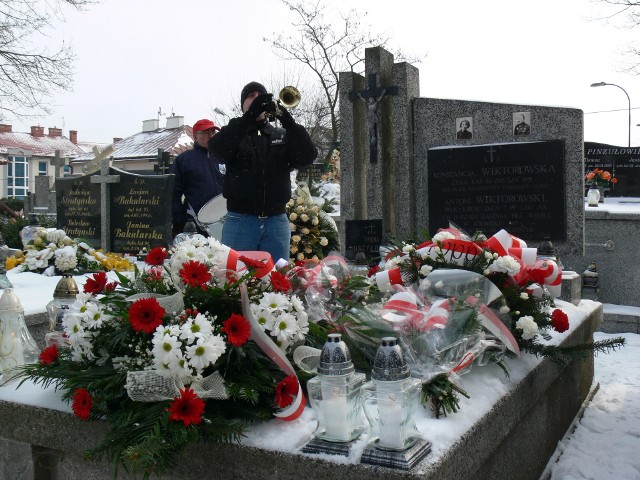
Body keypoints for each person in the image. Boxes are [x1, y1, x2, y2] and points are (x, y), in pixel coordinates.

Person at [208, 81, 317, 262]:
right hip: (241, 221)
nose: (256, 99)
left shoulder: (280, 134)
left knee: (276, 280)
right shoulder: (234, 132)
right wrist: (249, 117)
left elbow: (307, 157)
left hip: (276, 221)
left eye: (260, 96)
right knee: (236, 279)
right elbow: (218, 151)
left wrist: (288, 121)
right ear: (243, 104)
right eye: (251, 96)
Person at [171, 118, 224, 237]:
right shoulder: (184, 160)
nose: (210, 136)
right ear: (195, 136)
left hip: (223, 222)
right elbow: (173, 192)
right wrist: (179, 219)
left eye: (212, 132)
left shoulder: (222, 157)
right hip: (195, 223)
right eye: (206, 133)